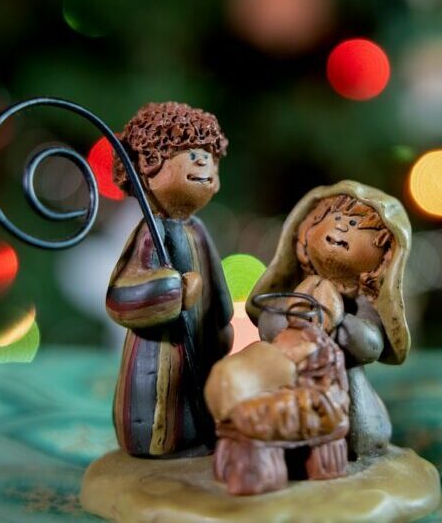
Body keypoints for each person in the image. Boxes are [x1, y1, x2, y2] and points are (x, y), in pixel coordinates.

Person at [247, 181, 412, 459]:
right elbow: (268, 322)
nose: (342, 228)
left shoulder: (361, 303)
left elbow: (371, 344)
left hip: (343, 390)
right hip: (289, 381)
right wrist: (293, 319)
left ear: (384, 257)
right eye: (335, 218)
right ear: (307, 229)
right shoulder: (293, 291)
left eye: (360, 227)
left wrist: (339, 323)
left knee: (348, 432)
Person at [106, 102, 233, 458]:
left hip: (203, 350)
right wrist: (174, 291)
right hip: (157, 358)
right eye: (192, 153)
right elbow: (119, 296)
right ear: (148, 166)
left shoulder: (199, 230)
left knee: (204, 412)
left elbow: (217, 284)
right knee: (165, 420)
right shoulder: (150, 235)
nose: (204, 163)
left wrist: (222, 321)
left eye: (210, 155)